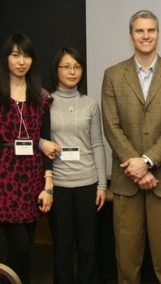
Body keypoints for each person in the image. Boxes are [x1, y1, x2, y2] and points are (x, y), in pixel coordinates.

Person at [101, 10, 161, 284]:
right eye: (140, 31)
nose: (146, 35)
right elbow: (111, 126)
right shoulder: (113, 75)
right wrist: (137, 167)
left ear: (158, 34)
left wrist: (148, 161)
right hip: (127, 183)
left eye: (151, 30)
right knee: (127, 261)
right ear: (131, 36)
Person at [0, 33, 53, 283]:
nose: (22, 61)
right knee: (19, 247)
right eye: (16, 54)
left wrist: (48, 186)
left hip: (32, 175)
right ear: (6, 58)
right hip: (3, 175)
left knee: (26, 249)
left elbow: (46, 142)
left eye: (27, 55)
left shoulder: (41, 97)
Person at [44, 47, 108, 284]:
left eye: (77, 67)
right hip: (58, 186)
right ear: (56, 70)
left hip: (87, 185)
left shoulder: (90, 104)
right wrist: (41, 142)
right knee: (61, 251)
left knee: (88, 248)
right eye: (66, 66)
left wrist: (102, 184)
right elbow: (34, 137)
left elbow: (98, 144)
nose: (72, 72)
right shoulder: (45, 101)